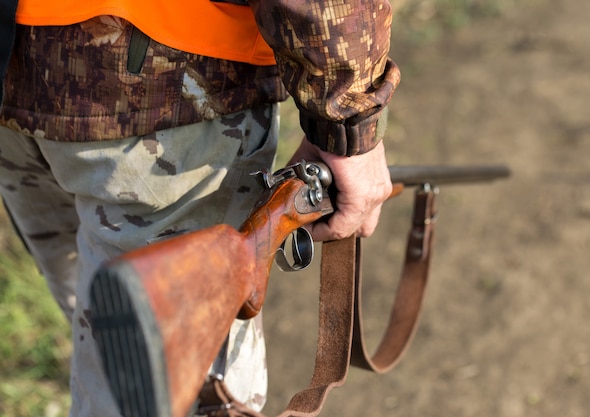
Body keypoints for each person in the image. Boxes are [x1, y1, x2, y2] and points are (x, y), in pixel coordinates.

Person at [0, 0, 401, 415]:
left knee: (115, 355)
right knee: (155, 377)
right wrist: (351, 125)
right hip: (171, 90)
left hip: (15, 74)